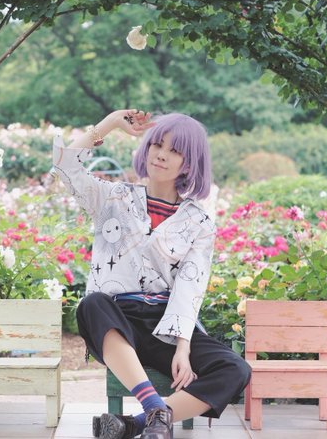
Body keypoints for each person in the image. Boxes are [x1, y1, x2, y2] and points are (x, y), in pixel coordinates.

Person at [52, 109, 251, 439]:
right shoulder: (112, 197)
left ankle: (136, 424)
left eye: (175, 151)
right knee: (92, 303)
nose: (161, 154)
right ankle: (155, 408)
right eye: (157, 144)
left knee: (235, 368)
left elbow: (190, 286)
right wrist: (111, 123)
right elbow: (65, 165)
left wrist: (183, 347)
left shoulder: (198, 222)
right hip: (116, 322)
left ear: (190, 164)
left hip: (166, 325)